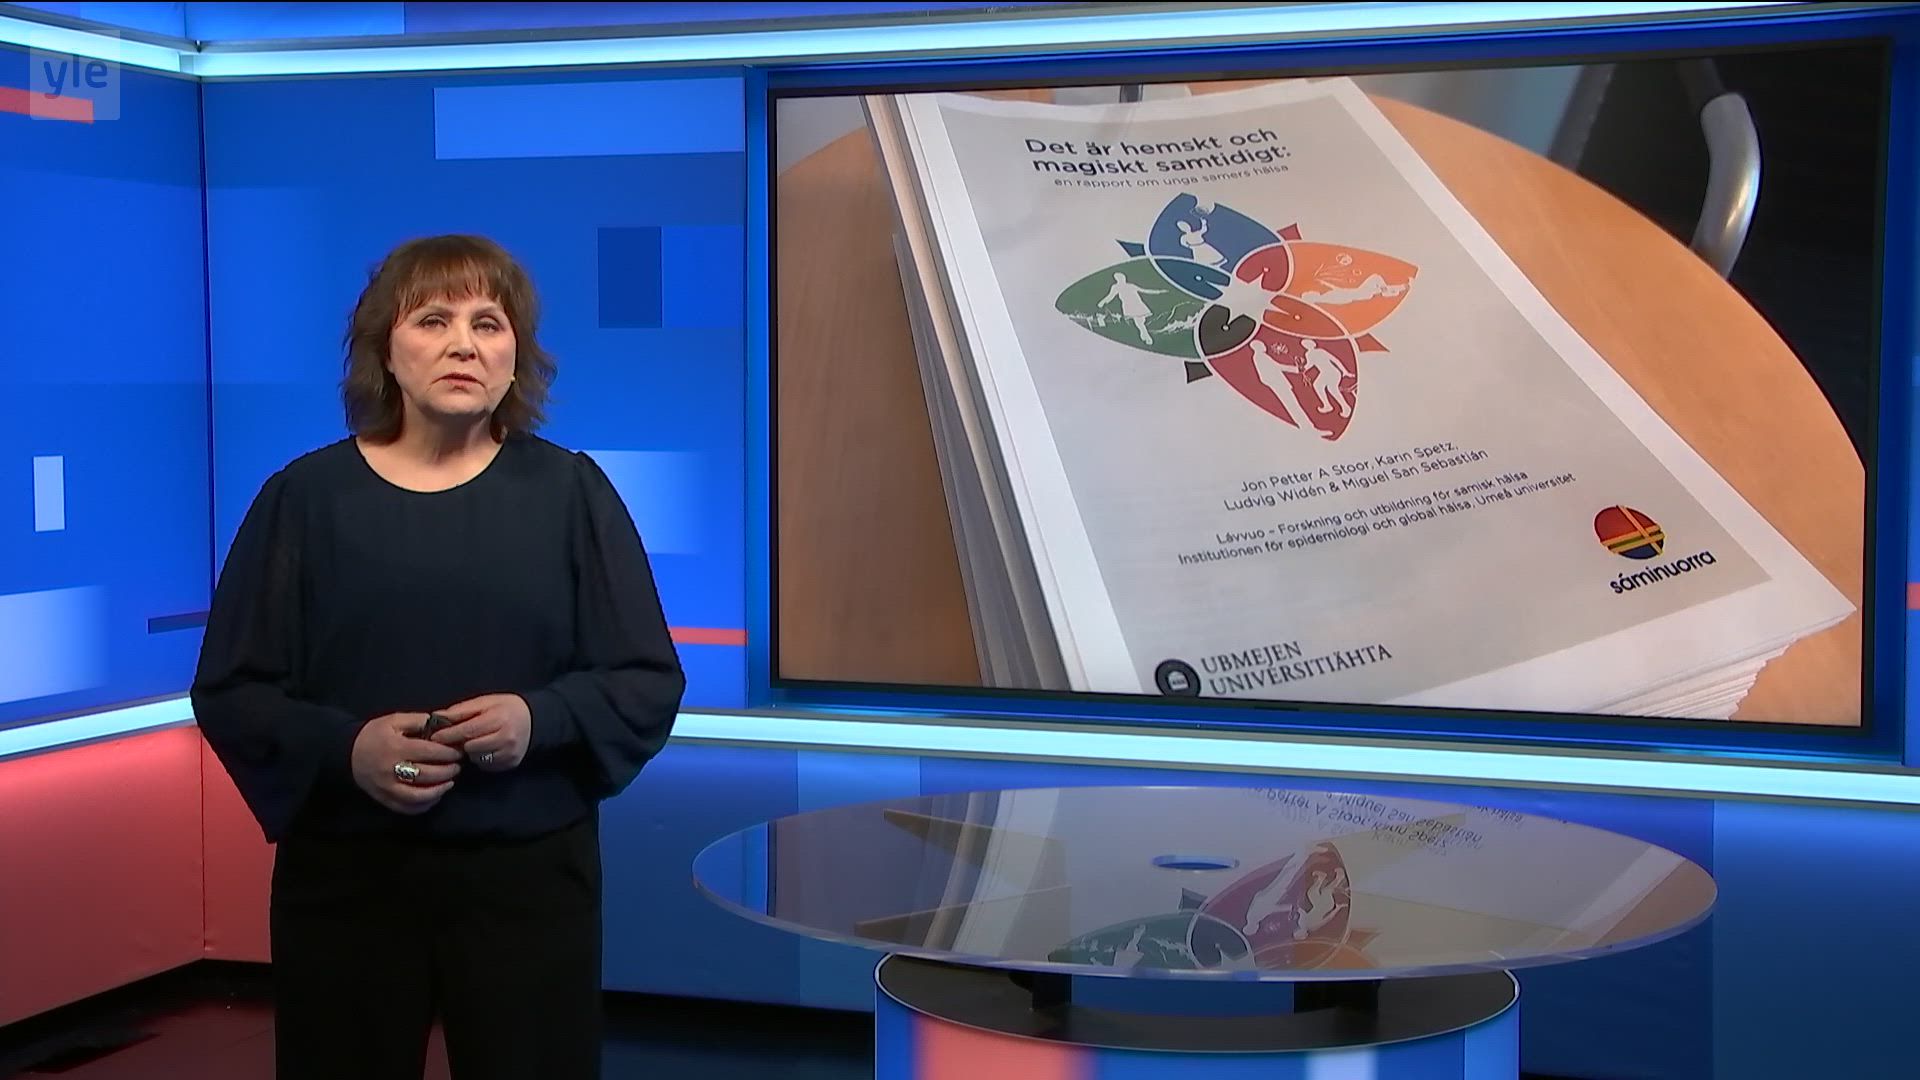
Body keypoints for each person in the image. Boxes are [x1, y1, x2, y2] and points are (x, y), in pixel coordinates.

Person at [191, 234, 686, 1080]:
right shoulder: (303, 500)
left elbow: (645, 678)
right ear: (385, 349)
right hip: (347, 883)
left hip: (529, 881)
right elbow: (233, 690)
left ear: (516, 354)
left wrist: (539, 719)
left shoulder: (573, 494)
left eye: (488, 324)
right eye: (433, 320)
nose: (465, 344)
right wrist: (349, 750)